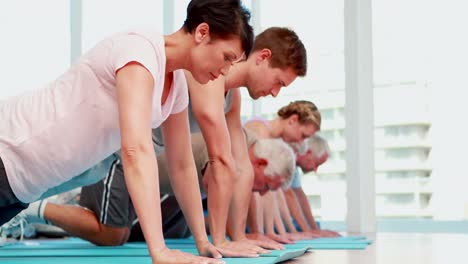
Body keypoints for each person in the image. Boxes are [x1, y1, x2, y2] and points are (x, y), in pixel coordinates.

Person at [0, 0, 253, 263]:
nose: (225, 71)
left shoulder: (176, 84)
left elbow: (182, 165)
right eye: (227, 58)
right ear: (202, 32)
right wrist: (159, 251)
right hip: (9, 150)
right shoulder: (141, 50)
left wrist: (203, 242)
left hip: (24, 189)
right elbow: (135, 150)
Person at [18, 128, 295, 252]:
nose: (260, 193)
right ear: (260, 162)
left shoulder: (241, 150)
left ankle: (52, 205)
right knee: (115, 236)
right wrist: (233, 239)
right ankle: (32, 208)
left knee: (174, 230)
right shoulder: (235, 152)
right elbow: (215, 188)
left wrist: (244, 236)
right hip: (122, 162)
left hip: (149, 178)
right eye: (266, 186)